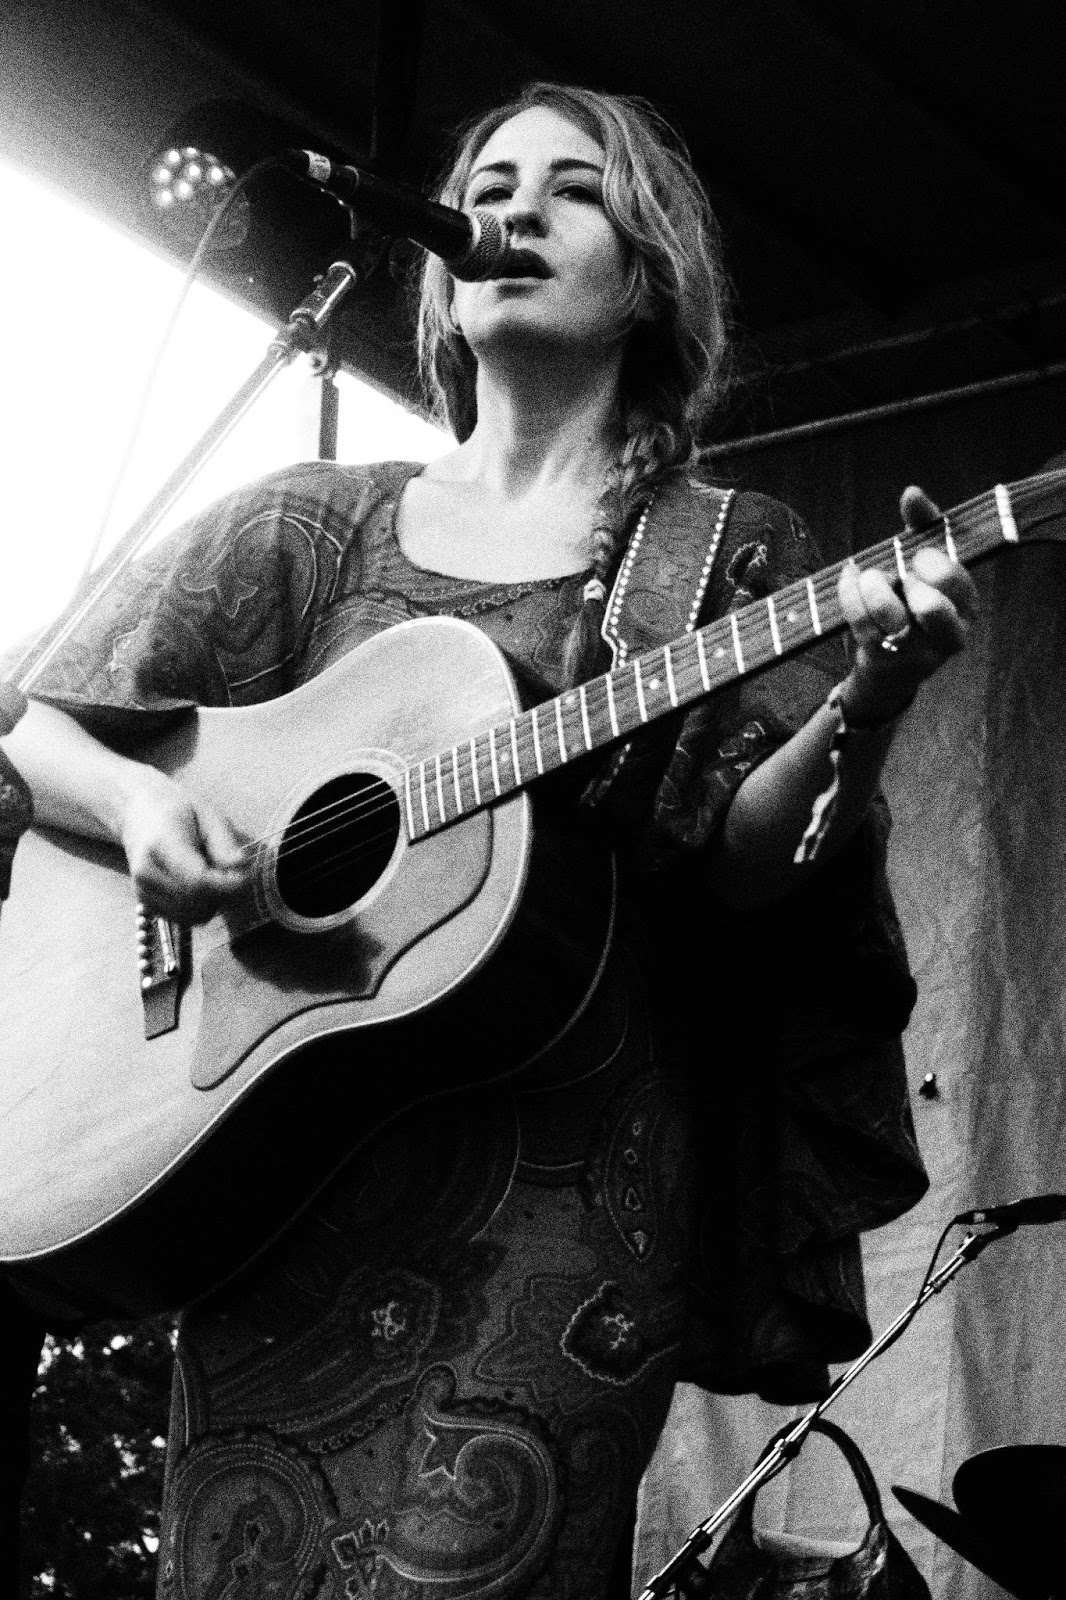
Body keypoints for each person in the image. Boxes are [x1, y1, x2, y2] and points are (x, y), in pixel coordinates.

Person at [2, 82, 978, 1600]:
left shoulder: (725, 553)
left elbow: (745, 869)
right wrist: (143, 810)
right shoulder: (310, 527)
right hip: (288, 1176)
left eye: (572, 189)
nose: (513, 209)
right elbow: (38, 730)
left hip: (563, 1188)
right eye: (490, 184)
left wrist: (873, 689)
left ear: (648, 274)